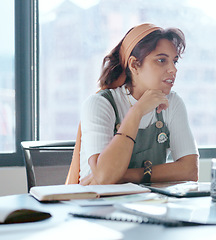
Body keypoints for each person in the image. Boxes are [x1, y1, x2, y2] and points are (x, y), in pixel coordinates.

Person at [77, 23, 198, 185]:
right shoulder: (100, 104)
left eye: (174, 62)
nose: (173, 70)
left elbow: (189, 170)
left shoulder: (172, 102)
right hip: (97, 206)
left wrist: (123, 175)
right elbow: (106, 177)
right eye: (161, 60)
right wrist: (137, 111)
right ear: (134, 65)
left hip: (149, 205)